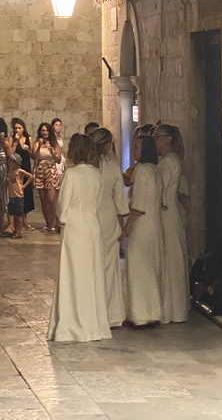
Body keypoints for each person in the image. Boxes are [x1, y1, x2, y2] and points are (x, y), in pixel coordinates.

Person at [47, 133, 111, 343]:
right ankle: (94, 325)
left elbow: (63, 205)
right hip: (92, 227)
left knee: (73, 276)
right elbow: (99, 201)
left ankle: (72, 326)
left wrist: (61, 219)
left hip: (75, 227)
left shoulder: (72, 175)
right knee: (91, 276)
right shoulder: (96, 174)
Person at [122, 134, 163, 326]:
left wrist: (127, 226)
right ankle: (152, 311)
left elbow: (138, 203)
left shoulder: (142, 170)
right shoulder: (155, 170)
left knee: (138, 268)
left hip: (142, 224)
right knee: (150, 267)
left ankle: (139, 314)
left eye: (136, 146)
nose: (133, 149)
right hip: (154, 224)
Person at [91, 127, 128, 328]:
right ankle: (111, 314)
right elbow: (120, 199)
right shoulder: (112, 166)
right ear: (107, 145)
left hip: (90, 215)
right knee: (109, 266)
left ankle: (92, 311)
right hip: (107, 216)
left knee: (91, 264)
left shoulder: (87, 166)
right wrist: (122, 225)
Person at [155, 123, 190, 324]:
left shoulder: (169, 162)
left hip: (167, 211)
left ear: (168, 139)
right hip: (170, 210)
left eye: (158, 137)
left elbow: (163, 189)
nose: (156, 141)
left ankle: (171, 308)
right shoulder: (171, 160)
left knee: (170, 256)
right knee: (171, 256)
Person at [32, 121, 62, 233]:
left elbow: (58, 160)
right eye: (42, 130)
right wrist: (39, 145)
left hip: (51, 169)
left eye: (46, 130)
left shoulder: (55, 143)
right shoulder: (37, 143)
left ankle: (53, 222)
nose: (44, 132)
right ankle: (48, 223)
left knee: (51, 199)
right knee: (43, 199)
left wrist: (52, 152)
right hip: (40, 170)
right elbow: (34, 156)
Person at [9, 118, 35, 229]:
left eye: (19, 128)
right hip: (16, 169)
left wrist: (28, 149)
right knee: (16, 193)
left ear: (23, 128)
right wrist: (16, 141)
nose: (17, 130)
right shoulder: (11, 138)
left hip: (26, 167)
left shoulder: (29, 139)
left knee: (27, 193)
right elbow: (10, 153)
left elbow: (33, 155)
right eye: (15, 128)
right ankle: (16, 221)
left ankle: (25, 220)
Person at [5, 153, 33, 239]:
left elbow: (31, 176)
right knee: (13, 214)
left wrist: (24, 186)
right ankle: (15, 229)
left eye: (11, 162)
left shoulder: (19, 171)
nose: (9, 163)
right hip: (11, 195)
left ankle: (19, 231)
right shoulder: (10, 172)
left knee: (19, 214)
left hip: (18, 195)